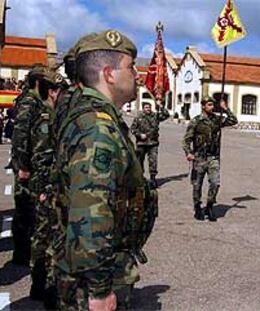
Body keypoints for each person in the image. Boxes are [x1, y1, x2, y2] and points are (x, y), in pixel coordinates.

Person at [54, 30, 147, 311]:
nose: (138, 74)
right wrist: (99, 290)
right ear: (109, 74)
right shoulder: (98, 129)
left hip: (83, 268)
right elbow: (92, 212)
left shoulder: (90, 117)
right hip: (93, 280)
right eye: (131, 67)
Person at [28, 70, 66, 307]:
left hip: (51, 186)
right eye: (61, 92)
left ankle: (43, 285)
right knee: (44, 236)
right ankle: (40, 284)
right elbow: (41, 159)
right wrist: (43, 190)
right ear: (52, 92)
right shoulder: (46, 119)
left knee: (48, 236)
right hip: (45, 188)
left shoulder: (54, 116)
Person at [10, 65, 47, 266]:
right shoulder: (29, 102)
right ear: (38, 83)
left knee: (28, 208)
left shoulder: (34, 100)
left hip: (31, 162)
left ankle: (24, 251)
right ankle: (22, 254)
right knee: (24, 208)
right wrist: (22, 165)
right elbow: (20, 135)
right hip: (26, 165)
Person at [182, 96, 238, 221]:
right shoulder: (196, 121)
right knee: (197, 185)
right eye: (209, 105)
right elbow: (186, 140)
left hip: (213, 158)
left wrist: (226, 108)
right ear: (203, 106)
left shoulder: (216, 120)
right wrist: (188, 153)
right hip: (199, 158)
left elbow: (233, 120)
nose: (212, 107)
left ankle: (209, 206)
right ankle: (197, 207)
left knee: (215, 183)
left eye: (213, 105)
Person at [131, 101, 169, 187]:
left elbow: (166, 115)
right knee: (139, 162)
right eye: (146, 107)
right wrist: (140, 135)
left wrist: (161, 106)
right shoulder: (138, 118)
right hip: (141, 144)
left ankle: (153, 178)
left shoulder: (155, 116)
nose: (148, 109)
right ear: (143, 108)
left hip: (153, 143)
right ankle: (140, 178)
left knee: (153, 162)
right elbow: (132, 129)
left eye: (149, 107)